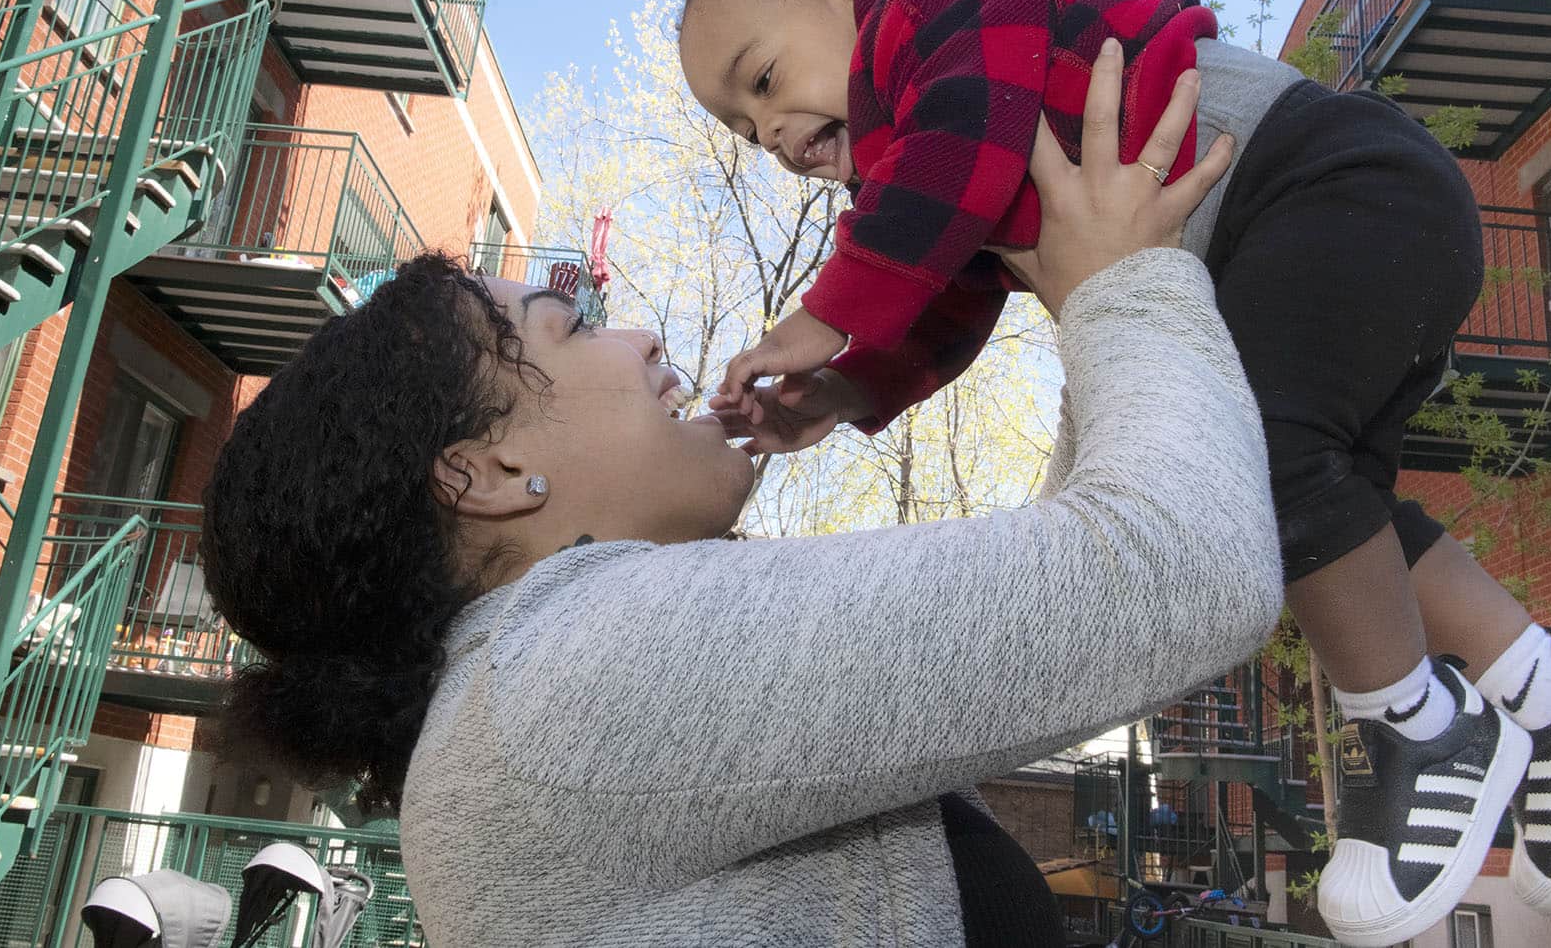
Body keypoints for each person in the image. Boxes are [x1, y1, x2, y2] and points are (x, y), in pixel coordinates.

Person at [676, 0, 1551, 945]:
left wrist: (824, 314)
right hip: (1333, 222)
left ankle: (1418, 731)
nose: (773, 134)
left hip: (1326, 187)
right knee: (1317, 503)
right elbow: (955, 289)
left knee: (1274, 470)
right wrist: (854, 381)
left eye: (765, 79)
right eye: (745, 129)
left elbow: (954, 151)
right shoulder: (932, 163)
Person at [199, 50, 1282, 947]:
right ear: (478, 476)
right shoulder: (576, 673)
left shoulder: (530, 699)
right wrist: (1119, 286)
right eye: (571, 328)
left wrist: (1088, 285)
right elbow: (1178, 569)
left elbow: (1074, 610)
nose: (643, 337)